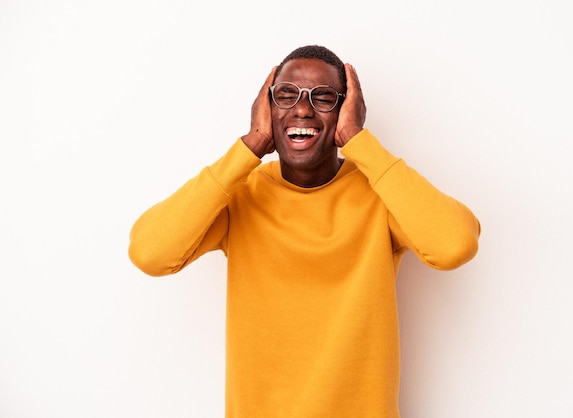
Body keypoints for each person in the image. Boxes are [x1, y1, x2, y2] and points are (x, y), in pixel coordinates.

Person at [128, 45, 480, 418]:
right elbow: (151, 252)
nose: (302, 108)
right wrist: (249, 147)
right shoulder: (241, 195)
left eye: (323, 97)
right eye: (286, 95)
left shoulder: (381, 193)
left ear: (347, 110)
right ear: (266, 107)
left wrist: (360, 142)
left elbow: (454, 244)